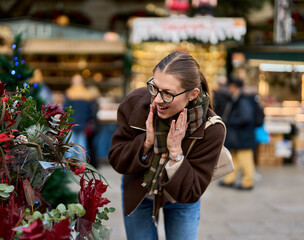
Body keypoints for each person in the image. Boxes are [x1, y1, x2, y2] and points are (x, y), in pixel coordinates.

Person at [108, 51, 225, 240]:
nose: (157, 99)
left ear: (192, 94)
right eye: (154, 87)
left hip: (181, 196)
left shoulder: (211, 128)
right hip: (139, 190)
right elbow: (116, 160)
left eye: (168, 94)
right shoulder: (135, 103)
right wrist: (146, 142)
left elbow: (192, 191)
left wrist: (176, 153)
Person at [219, 77, 256, 190]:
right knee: (234, 158)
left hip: (243, 135)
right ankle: (230, 179)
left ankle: (248, 182)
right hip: (238, 135)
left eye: (231, 86)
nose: (230, 88)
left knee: (245, 160)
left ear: (235, 87)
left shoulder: (243, 99)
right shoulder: (237, 98)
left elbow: (246, 117)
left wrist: (230, 122)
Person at [63, 74, 97, 163]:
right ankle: (82, 164)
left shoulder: (69, 93)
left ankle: (69, 163)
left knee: (70, 145)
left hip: (71, 123)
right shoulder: (87, 94)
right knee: (81, 145)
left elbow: (65, 109)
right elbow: (90, 111)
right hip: (82, 123)